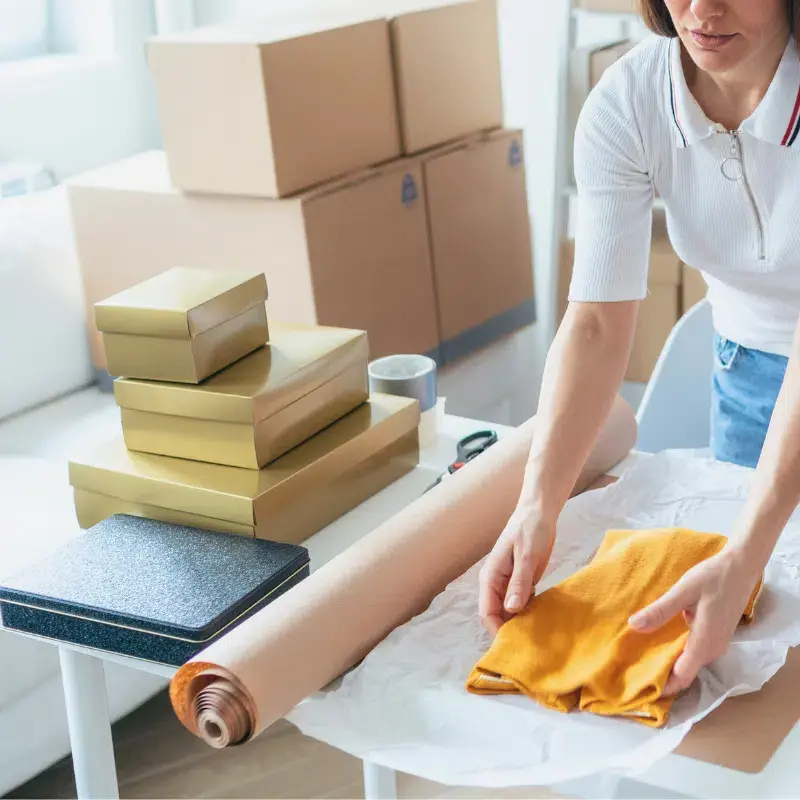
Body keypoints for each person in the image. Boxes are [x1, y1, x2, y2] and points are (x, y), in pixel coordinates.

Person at [479, 0, 800, 697]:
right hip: (746, 379)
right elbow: (595, 324)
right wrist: (537, 505)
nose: (701, 9)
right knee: (762, 633)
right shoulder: (628, 102)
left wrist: (747, 549)